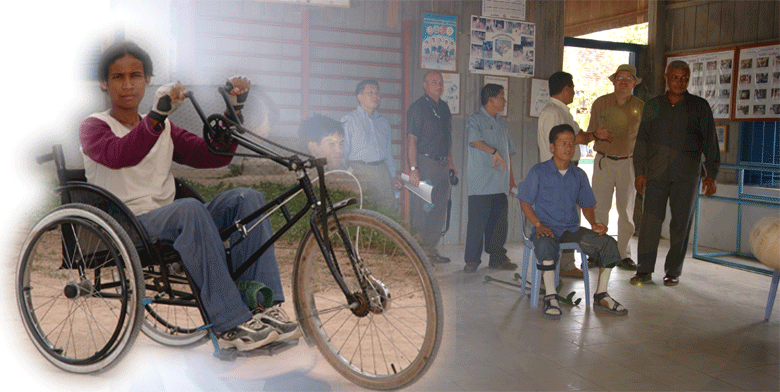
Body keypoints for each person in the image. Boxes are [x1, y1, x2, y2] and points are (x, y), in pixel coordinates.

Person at [79, 41, 299, 352]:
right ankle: (230, 324)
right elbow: (121, 155)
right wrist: (156, 115)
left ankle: (263, 306)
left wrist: (233, 110)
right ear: (104, 83)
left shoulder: (162, 127)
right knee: (189, 210)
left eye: (136, 76)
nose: (128, 85)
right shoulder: (94, 126)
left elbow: (212, 155)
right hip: (128, 225)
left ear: (148, 79)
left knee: (246, 198)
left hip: (172, 216)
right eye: (118, 77)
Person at [519, 124, 628, 319]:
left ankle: (601, 294)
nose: (569, 148)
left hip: (570, 229)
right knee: (545, 245)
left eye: (571, 144)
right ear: (552, 146)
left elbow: (586, 204)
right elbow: (525, 202)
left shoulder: (579, 175)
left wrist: (594, 223)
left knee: (608, 243)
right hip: (545, 228)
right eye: (563, 143)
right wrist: (537, 224)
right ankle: (551, 296)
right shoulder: (538, 171)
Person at [631, 60, 720, 286]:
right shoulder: (653, 105)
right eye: (675, 77)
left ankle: (673, 271)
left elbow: (710, 142)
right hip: (656, 174)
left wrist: (711, 174)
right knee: (650, 222)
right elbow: (642, 141)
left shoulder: (700, 106)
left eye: (684, 78)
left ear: (689, 79)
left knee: (680, 223)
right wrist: (640, 172)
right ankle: (644, 270)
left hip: (687, 175)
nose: (679, 82)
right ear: (666, 77)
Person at [537, 71, 612, 278]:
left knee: (569, 217)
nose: (574, 92)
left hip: (565, 171)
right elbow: (567, 142)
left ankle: (564, 264)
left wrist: (591, 135)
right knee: (561, 219)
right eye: (573, 88)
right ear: (567, 89)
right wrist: (594, 135)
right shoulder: (553, 112)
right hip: (556, 172)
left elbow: (576, 138)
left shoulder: (562, 111)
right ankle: (558, 266)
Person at [585, 64, 645, 271]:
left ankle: (623, 254)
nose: (623, 82)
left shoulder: (641, 107)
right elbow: (590, 132)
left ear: (634, 83)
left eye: (628, 78)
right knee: (599, 209)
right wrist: (597, 133)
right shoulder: (600, 103)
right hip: (603, 160)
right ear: (613, 81)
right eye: (620, 78)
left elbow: (645, 140)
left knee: (626, 211)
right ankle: (597, 252)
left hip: (629, 163)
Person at [463, 84, 517, 273]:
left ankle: (497, 257)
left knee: (499, 223)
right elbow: (474, 140)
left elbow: (508, 153)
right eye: (502, 96)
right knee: (477, 223)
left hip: (500, 183)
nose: (504, 100)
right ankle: (472, 260)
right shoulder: (475, 119)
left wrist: (511, 180)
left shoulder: (502, 123)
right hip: (481, 182)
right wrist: (493, 151)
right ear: (491, 100)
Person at [406, 71, 457, 264]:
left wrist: (450, 161)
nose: (439, 85)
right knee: (423, 208)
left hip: (443, 163)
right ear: (425, 85)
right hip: (424, 162)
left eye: (441, 82)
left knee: (439, 208)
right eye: (434, 82)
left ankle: (431, 249)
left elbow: (446, 137)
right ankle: (419, 252)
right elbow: (411, 140)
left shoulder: (444, 108)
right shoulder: (417, 108)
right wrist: (413, 169)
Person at [341, 79, 402, 213]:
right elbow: (343, 153)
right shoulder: (349, 120)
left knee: (388, 209)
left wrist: (392, 175)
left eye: (377, 93)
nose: (375, 96)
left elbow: (388, 153)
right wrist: (348, 175)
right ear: (360, 97)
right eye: (371, 92)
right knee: (362, 209)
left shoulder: (383, 122)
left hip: (382, 170)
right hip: (359, 170)